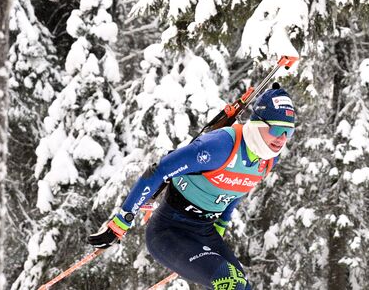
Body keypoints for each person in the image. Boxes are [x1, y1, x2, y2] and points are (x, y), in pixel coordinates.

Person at [88, 86, 296, 290]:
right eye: (277, 129)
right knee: (231, 283)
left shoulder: (267, 159)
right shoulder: (219, 146)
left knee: (242, 286)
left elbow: (237, 189)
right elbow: (159, 171)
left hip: (205, 232)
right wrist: (120, 224)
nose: (282, 139)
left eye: (288, 132)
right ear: (258, 123)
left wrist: (221, 225)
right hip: (169, 231)